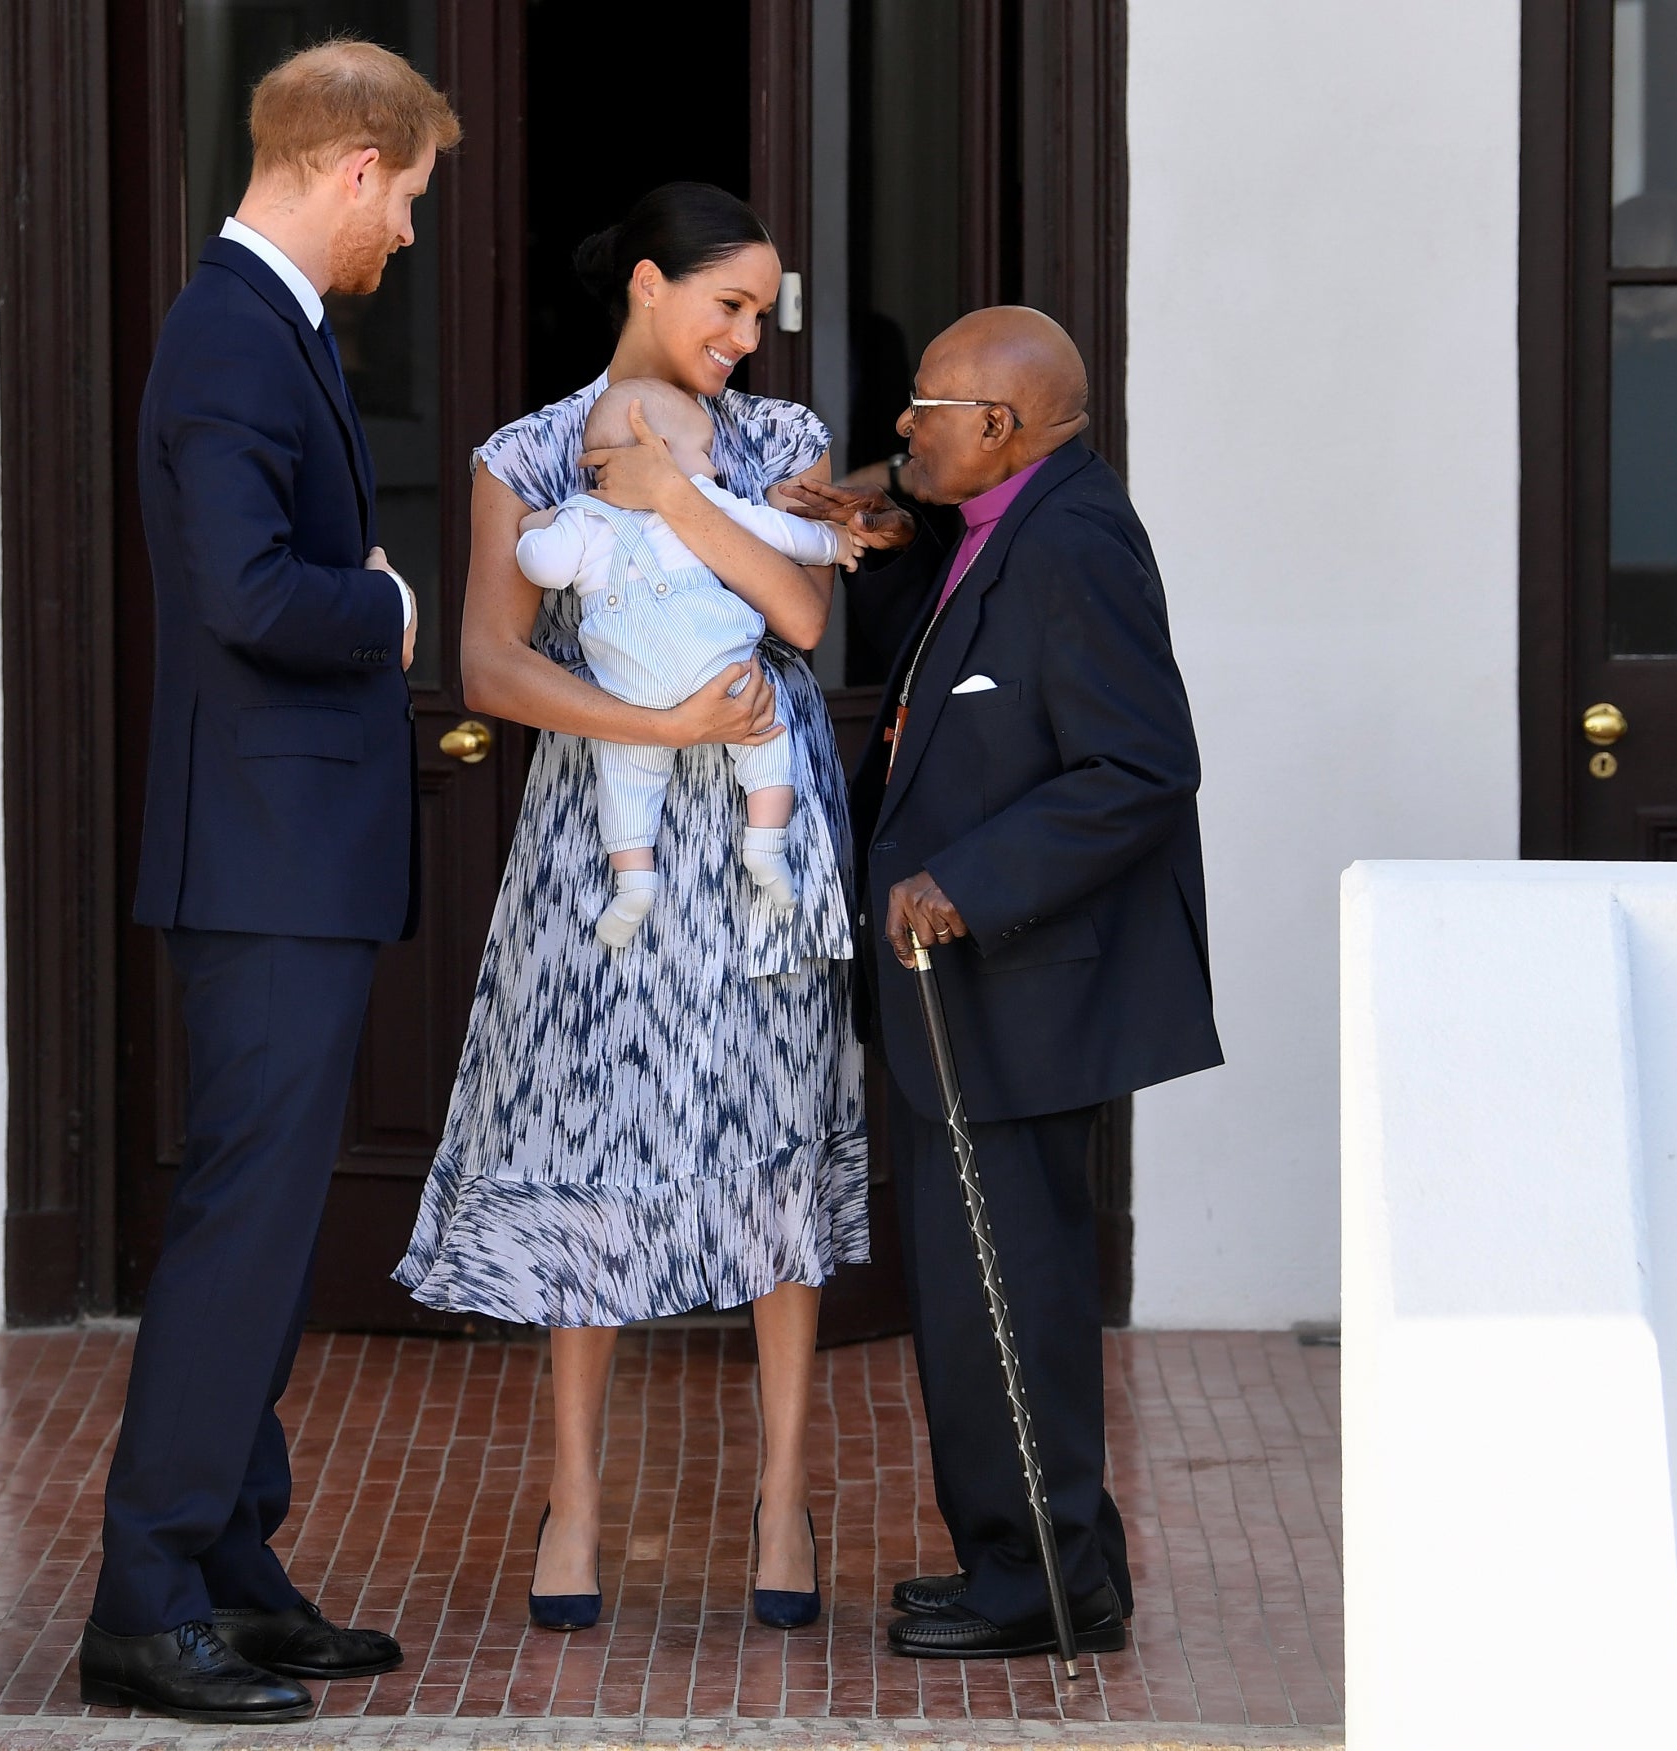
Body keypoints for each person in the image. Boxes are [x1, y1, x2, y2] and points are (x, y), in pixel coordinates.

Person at [393, 182, 873, 1634]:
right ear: (651, 284)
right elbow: (486, 664)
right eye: (727, 304)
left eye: (761, 312)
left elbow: (801, 620)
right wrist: (657, 730)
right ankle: (577, 1496)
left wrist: (674, 501)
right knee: (590, 1134)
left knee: (774, 1128)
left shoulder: (784, 441)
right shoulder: (527, 453)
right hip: (603, 836)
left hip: (763, 839)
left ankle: (785, 1489)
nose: (747, 334)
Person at [80, 41, 461, 1725]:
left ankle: (230, 1564)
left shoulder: (269, 329)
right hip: (264, 862)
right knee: (241, 1232)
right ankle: (147, 1597)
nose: (410, 242)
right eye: (414, 204)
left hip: (285, 856)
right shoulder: (234, 331)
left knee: (269, 1226)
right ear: (360, 165)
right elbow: (243, 592)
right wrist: (385, 612)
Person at [785, 307, 1221, 1660]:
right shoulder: (1006, 517)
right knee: (979, 1292)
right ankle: (1032, 1558)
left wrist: (967, 879)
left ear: (1003, 431)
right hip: (962, 998)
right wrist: (892, 521)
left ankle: (1045, 1584)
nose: (902, 426)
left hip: (1021, 983)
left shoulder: (1076, 539)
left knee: (1010, 1294)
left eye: (926, 408)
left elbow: (1140, 766)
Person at [515, 377, 862, 943]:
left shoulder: (580, 517)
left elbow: (544, 569)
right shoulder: (707, 501)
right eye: (705, 452)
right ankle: (765, 846)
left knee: (623, 782)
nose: (717, 469)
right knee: (765, 736)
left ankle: (633, 888)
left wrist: (534, 529)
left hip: (630, 687)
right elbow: (781, 533)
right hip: (715, 662)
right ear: (661, 449)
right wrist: (837, 545)